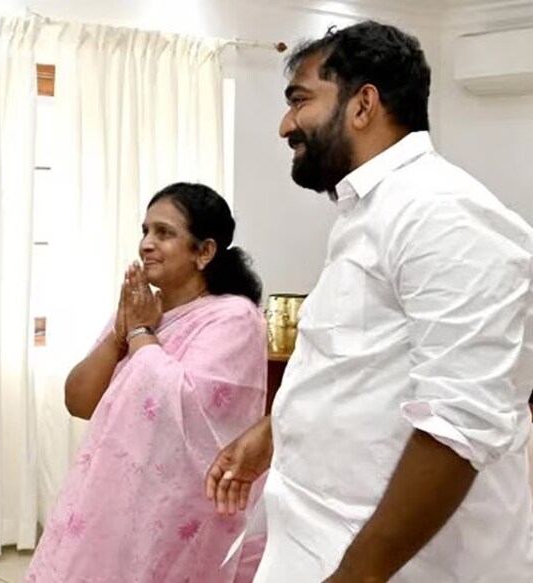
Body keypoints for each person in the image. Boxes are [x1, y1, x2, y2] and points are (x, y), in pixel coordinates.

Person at [206, 21, 533, 582]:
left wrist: (357, 575)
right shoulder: (369, 212)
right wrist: (274, 432)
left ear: (363, 104)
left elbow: (460, 426)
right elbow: (356, 367)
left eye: (300, 100)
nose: (287, 125)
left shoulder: (442, 213)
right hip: (318, 539)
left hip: (394, 565)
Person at [26, 182, 268, 582]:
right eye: (145, 230)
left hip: (178, 509)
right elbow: (80, 401)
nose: (146, 244)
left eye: (164, 233)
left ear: (204, 251)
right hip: (116, 496)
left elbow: (186, 411)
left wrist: (139, 333)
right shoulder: (142, 311)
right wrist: (124, 331)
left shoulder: (233, 318)